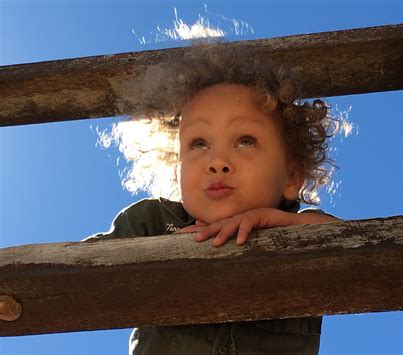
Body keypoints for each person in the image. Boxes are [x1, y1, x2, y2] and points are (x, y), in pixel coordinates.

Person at [85, 44, 340, 354]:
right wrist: (158, 259)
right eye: (198, 143)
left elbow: (362, 249)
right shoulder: (150, 223)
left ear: (290, 177)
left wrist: (289, 226)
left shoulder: (298, 230)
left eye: (245, 141)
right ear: (177, 171)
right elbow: (78, 278)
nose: (217, 161)